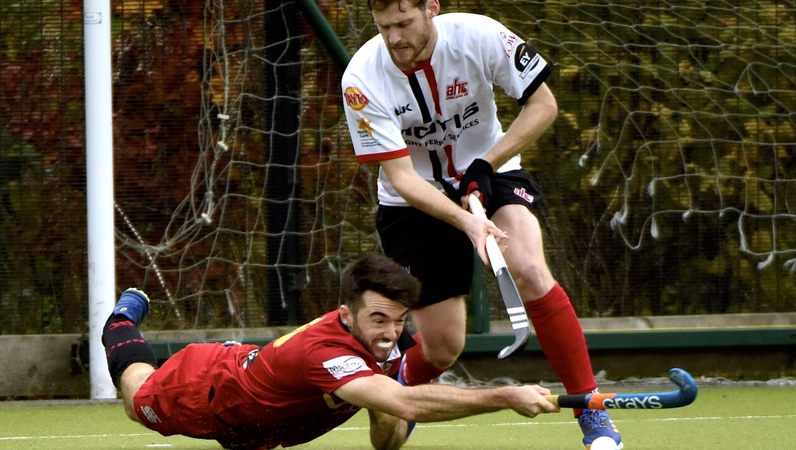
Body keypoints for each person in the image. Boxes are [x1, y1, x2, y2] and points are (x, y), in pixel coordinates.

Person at [340, 1, 622, 448]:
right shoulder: (361, 78)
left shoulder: (479, 35)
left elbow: (543, 105)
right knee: (443, 347)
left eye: (404, 23)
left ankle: (592, 412)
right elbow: (402, 177)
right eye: (384, 27)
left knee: (527, 268)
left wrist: (484, 166)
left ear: (431, 7)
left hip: (495, 172)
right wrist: (465, 222)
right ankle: (400, 388)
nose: (394, 38)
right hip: (413, 201)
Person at [101, 253, 559, 450]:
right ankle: (120, 321)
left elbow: (389, 431)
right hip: (206, 389)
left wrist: (392, 423)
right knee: (134, 392)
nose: (390, 332)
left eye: (399, 320)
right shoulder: (328, 351)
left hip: (262, 421)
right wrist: (505, 396)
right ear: (346, 314)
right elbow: (403, 400)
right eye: (378, 319)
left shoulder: (386, 344)